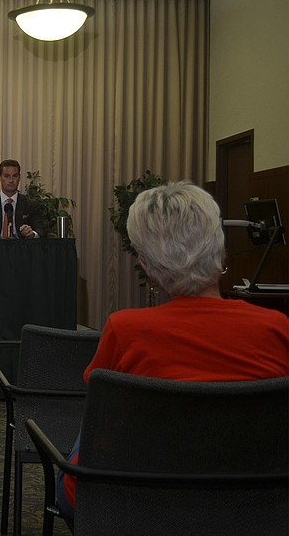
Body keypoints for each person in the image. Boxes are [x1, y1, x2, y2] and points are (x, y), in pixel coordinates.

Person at [56, 181, 289, 525]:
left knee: (90, 419)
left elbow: (100, 416)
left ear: (148, 268)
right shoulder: (278, 328)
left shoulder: (125, 329)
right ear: (221, 253)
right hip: (260, 502)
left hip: (136, 502)